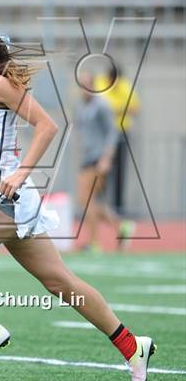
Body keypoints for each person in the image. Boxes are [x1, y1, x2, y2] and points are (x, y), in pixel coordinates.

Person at [0, 15, 156, 381]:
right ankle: (132, 346)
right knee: (62, 283)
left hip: (7, 199)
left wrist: (22, 173)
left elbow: (47, 126)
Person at [75, 71, 134, 251]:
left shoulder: (102, 105)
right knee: (88, 201)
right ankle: (121, 225)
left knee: (87, 200)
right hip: (87, 157)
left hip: (98, 158)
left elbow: (112, 132)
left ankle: (94, 243)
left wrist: (106, 158)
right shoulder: (81, 106)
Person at [94, 63, 140, 220]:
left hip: (121, 133)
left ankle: (118, 208)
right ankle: (101, 208)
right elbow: (97, 105)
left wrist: (113, 109)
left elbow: (134, 108)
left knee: (120, 172)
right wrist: (119, 109)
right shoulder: (100, 82)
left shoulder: (125, 86)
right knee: (100, 173)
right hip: (102, 134)